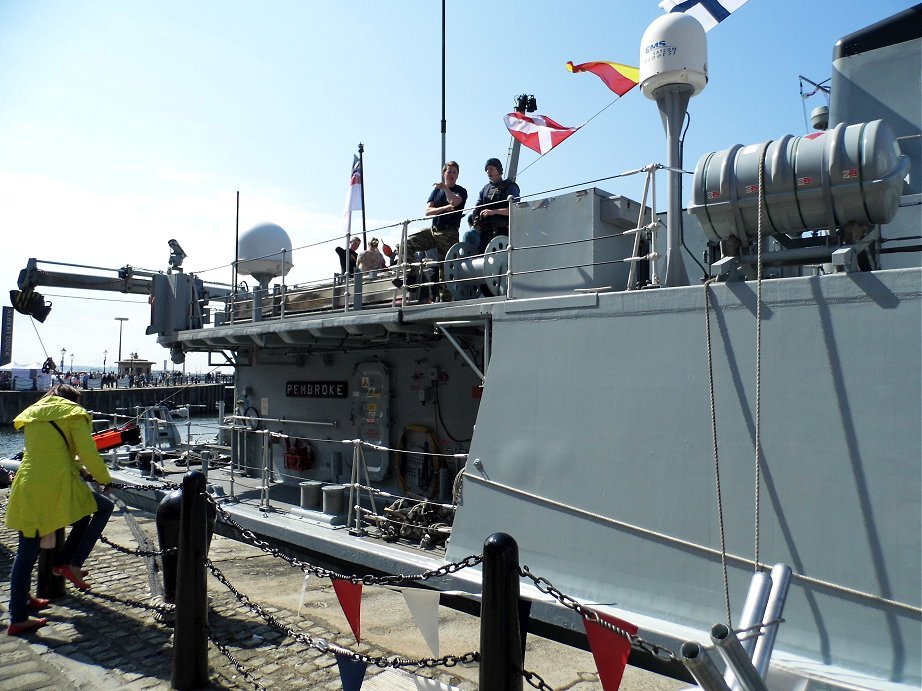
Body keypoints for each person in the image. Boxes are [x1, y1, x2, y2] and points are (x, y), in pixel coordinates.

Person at [4, 384, 114, 635]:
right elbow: (88, 452)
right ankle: (20, 616)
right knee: (102, 508)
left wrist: (81, 470)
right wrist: (104, 479)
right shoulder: (74, 413)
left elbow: (51, 452)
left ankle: (22, 601)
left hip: (27, 485)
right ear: (73, 399)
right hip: (55, 487)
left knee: (27, 549)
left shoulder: (33, 413)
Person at [399, 161, 467, 301]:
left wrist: (446, 190)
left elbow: (454, 202)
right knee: (406, 244)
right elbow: (428, 211)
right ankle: (412, 276)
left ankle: (445, 300)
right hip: (434, 230)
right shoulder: (436, 191)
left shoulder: (461, 191)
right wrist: (443, 209)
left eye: (454, 172)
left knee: (445, 268)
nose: (452, 175)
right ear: (444, 173)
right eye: (449, 172)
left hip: (449, 233)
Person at [463, 157, 520, 253]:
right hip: (485, 233)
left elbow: (514, 209)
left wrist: (494, 212)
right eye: (487, 169)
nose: (489, 171)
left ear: (499, 170)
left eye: (491, 169)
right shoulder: (484, 190)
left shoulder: (510, 187)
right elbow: (477, 208)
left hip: (503, 232)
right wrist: (477, 219)